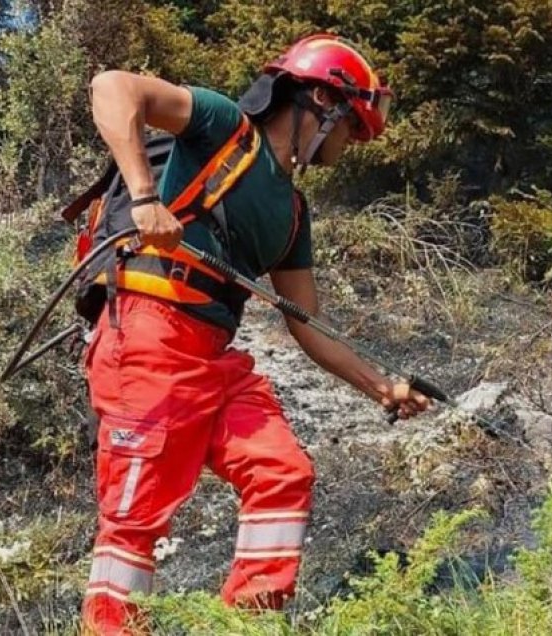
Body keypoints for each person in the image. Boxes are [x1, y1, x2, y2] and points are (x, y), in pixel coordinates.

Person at [81, 34, 431, 634]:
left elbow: (308, 326)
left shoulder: (293, 213)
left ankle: (246, 625)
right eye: (352, 128)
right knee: (135, 518)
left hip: (212, 358)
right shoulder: (222, 127)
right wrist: (144, 199)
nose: (352, 145)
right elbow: (112, 87)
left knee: (282, 471)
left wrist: (382, 388)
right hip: (147, 336)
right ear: (321, 101)